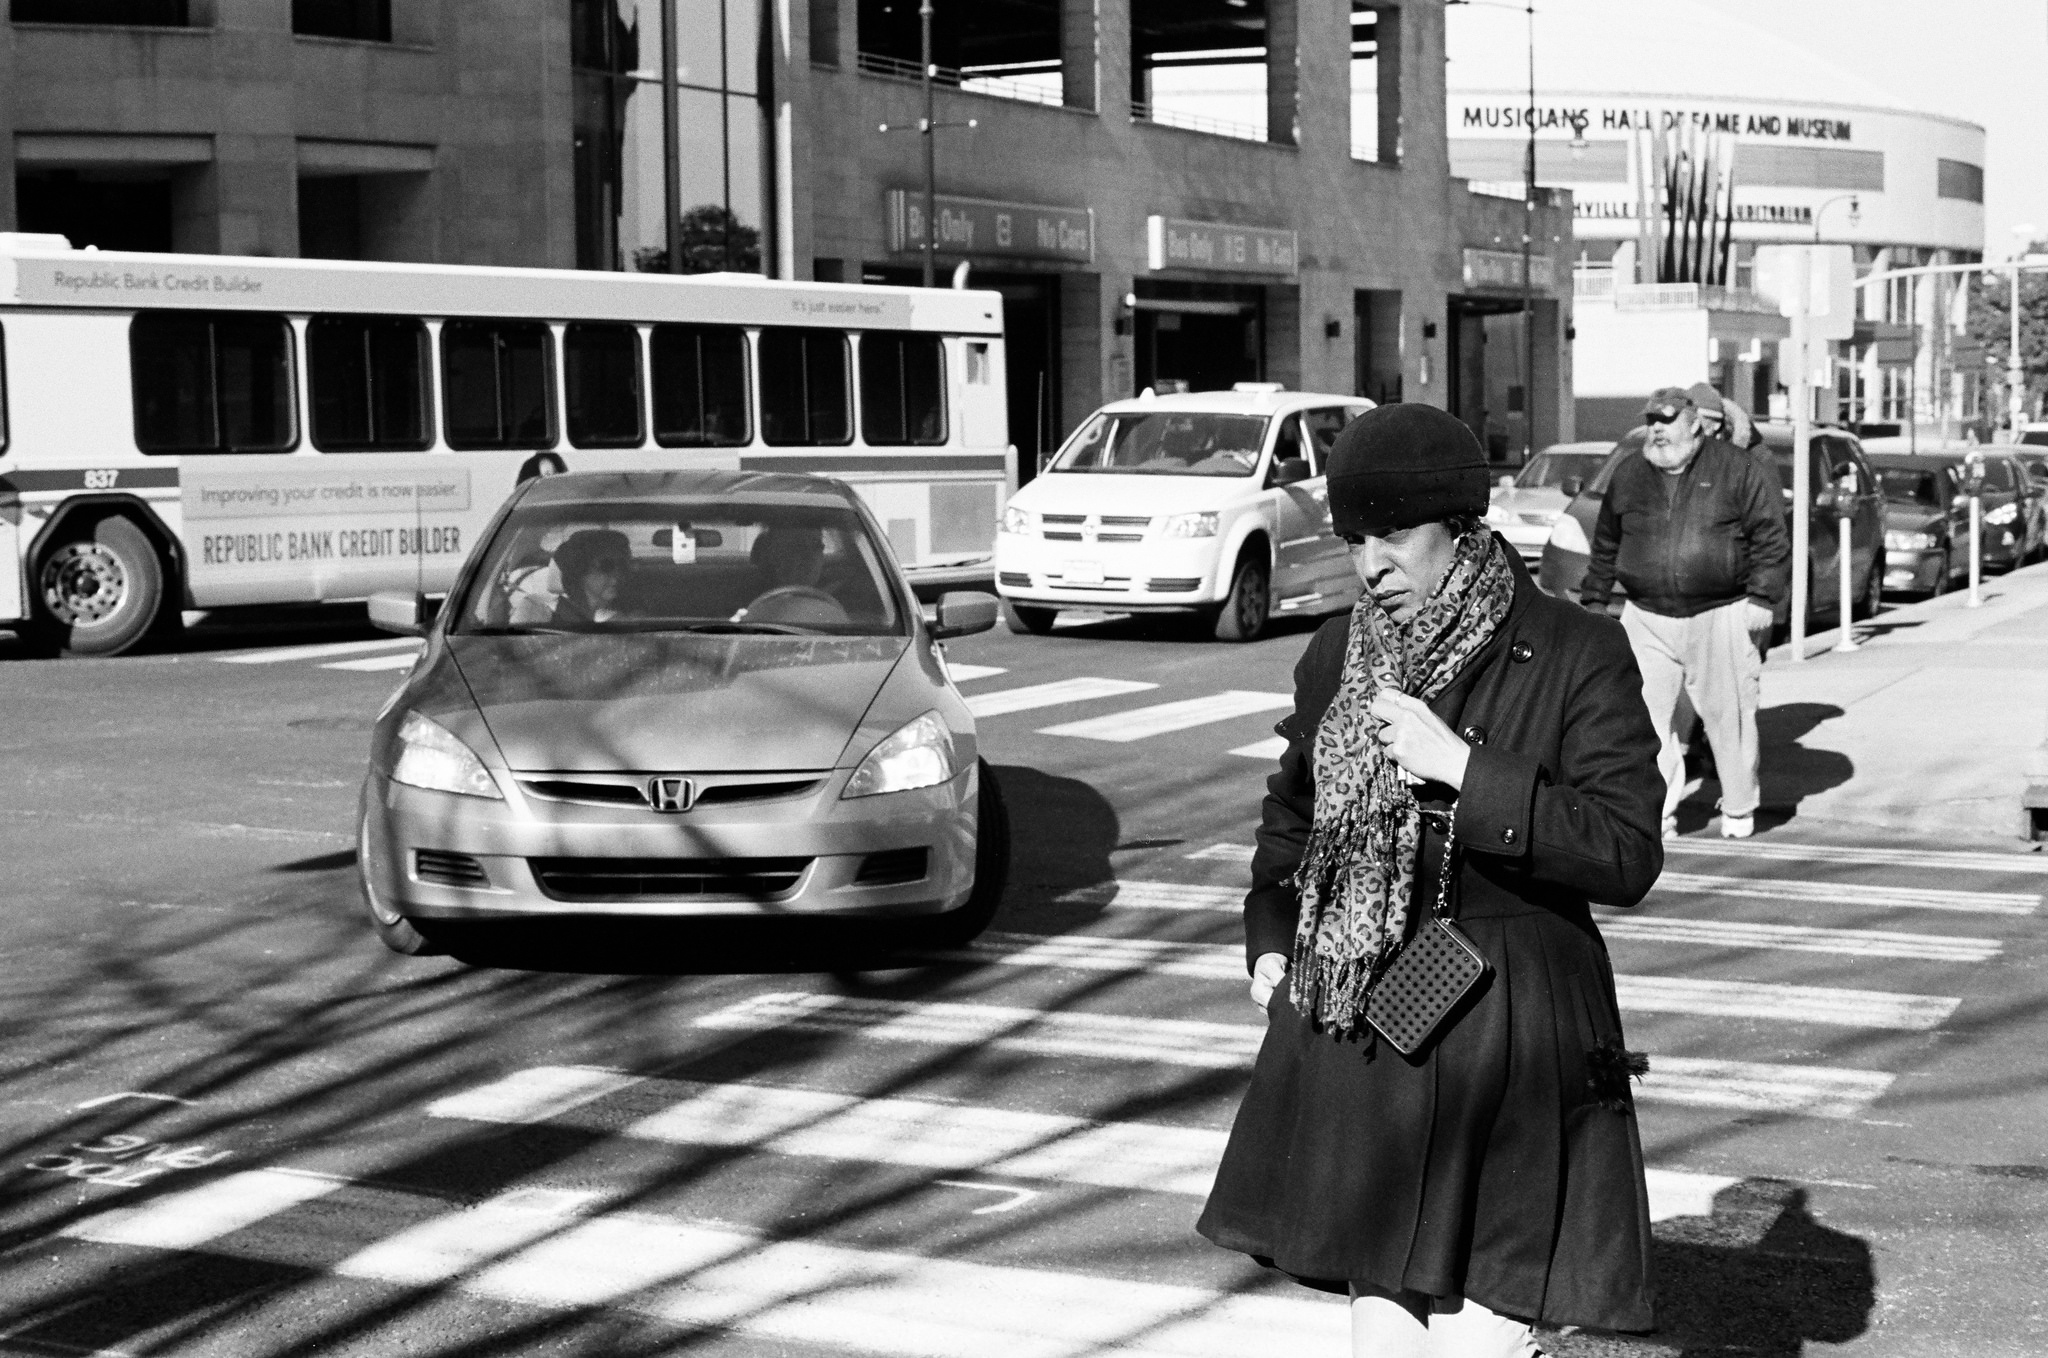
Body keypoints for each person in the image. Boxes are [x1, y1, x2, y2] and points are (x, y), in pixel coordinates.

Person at [1197, 403, 1666, 1358]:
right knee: (1383, 1308)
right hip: (1366, 1016)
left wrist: (1466, 770)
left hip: (1513, 1023)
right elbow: (1294, 811)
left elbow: (1627, 850)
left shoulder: (1578, 650)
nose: (1371, 565)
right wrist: (1274, 941)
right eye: (1354, 537)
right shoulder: (1340, 652)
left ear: (1463, 524)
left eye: (1395, 535)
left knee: (1484, 1322)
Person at [1579, 386, 1791, 840]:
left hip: (1720, 611)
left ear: (1693, 424)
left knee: (1727, 716)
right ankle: (1658, 814)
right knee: (1645, 721)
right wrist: (1595, 600)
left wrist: (1762, 598)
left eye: (1666, 420)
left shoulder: (1736, 468)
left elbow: (1770, 537)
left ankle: (1737, 809)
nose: (1656, 429)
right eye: (1651, 420)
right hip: (1646, 615)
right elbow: (1606, 543)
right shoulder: (1631, 473)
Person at [549, 528, 632, 626]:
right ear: (579, 570)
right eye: (606, 566)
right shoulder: (554, 619)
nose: (617, 575)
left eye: (622, 565)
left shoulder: (620, 618)